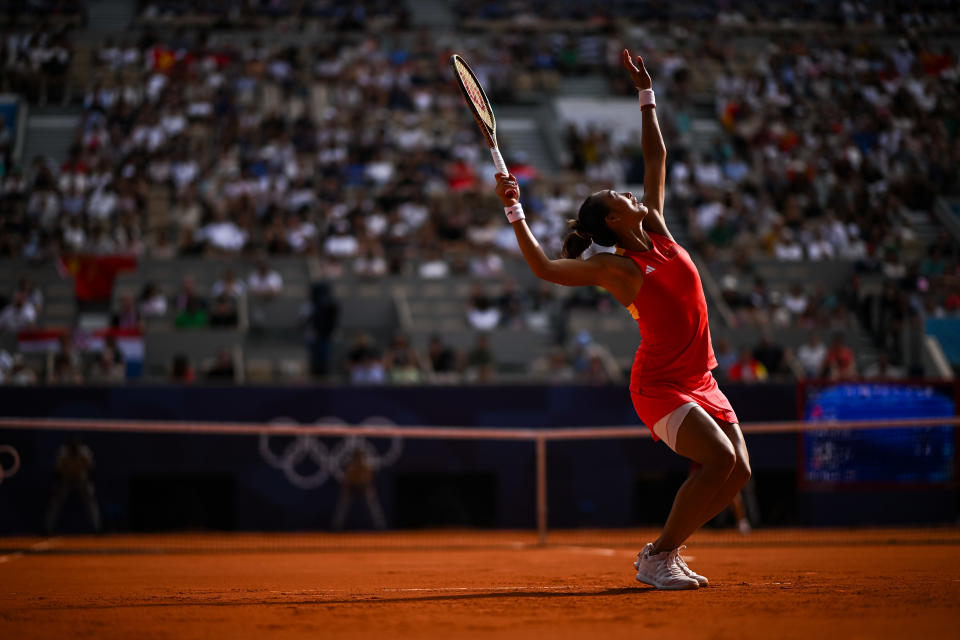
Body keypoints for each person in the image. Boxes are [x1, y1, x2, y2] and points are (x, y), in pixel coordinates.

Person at [493, 50, 750, 590]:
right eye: (619, 196)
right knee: (718, 459)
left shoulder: (656, 227)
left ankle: (668, 552)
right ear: (613, 218)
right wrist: (515, 209)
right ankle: (657, 558)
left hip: (701, 378)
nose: (631, 192)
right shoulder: (615, 269)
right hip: (658, 385)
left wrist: (646, 95)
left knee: (738, 473)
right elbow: (542, 267)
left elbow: (655, 159)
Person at [46, 435, 102, 534]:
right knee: (56, 503)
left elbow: (90, 469)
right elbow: (57, 471)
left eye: (75, 446)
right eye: (72, 446)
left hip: (81, 480)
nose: (74, 448)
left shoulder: (85, 453)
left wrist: (90, 483)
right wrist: (56, 485)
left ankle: (97, 528)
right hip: (66, 480)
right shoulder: (63, 453)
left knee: (91, 503)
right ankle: (47, 528)